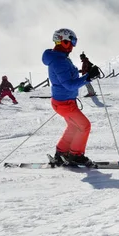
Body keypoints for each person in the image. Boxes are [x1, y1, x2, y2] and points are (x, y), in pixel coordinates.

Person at [43, 28, 100, 166]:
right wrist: (88, 77)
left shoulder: (60, 58)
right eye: (70, 42)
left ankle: (61, 153)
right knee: (84, 126)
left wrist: (87, 75)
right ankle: (75, 155)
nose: (73, 46)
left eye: (74, 42)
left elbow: (68, 80)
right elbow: (69, 85)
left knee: (74, 127)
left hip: (64, 102)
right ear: (61, 41)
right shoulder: (59, 61)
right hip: (64, 103)